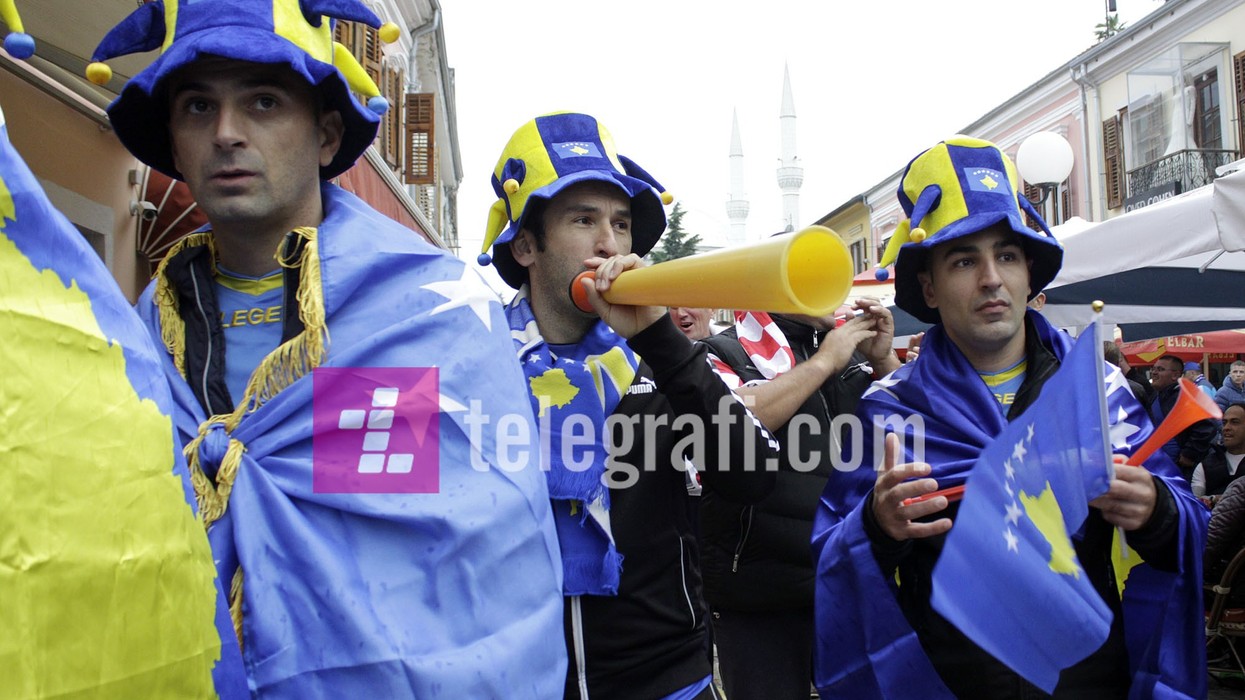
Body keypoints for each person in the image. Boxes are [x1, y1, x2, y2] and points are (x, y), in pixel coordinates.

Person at [88, 2, 565, 697]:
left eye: (262, 101)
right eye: (197, 106)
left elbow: (474, 560)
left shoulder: (427, 317)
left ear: (325, 133)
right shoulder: (130, 339)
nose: (226, 133)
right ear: (172, 136)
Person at [811, 136, 1207, 698]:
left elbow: (1189, 529)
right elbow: (831, 557)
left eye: (1008, 255)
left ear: (1029, 275)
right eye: (965, 259)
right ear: (928, 284)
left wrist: (1157, 509)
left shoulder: (1100, 391)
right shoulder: (887, 412)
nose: (991, 278)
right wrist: (878, 526)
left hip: (1090, 685)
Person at [478, 111, 779, 700]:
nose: (609, 244)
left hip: (669, 681)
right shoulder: (474, 359)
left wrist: (662, 342)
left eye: (620, 223)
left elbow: (754, 476)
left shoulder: (663, 360)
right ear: (526, 244)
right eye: (583, 219)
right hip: (520, 681)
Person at [697, 302, 900, 699]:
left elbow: (920, 425)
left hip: (851, 577)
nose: (835, 293)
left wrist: (886, 359)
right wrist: (824, 362)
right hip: (760, 594)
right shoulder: (721, 350)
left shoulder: (855, 352)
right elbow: (728, 425)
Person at [1148, 354, 1217, 481]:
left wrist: (1189, 454)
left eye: (1160, 369)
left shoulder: (1185, 397)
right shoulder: (1154, 397)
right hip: (1159, 467)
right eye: (1153, 368)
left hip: (1181, 470)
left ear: (1175, 375)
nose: (1154, 373)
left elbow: (1207, 426)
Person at [1192, 403, 1245, 501]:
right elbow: (1195, 504)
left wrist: (1216, 499)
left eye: (1235, 422)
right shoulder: (1205, 466)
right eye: (1224, 423)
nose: (1226, 428)